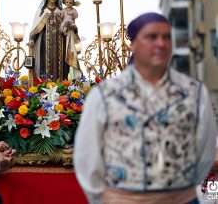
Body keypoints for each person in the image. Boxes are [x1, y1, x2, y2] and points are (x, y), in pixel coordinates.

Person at [74, 12, 217, 204]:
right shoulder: (104, 95)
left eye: (166, 37)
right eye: (152, 37)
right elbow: (87, 155)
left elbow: (205, 150)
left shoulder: (194, 93)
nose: (161, 43)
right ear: (132, 44)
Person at [29, 0, 69, 81]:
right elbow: (36, 27)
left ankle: (60, 82)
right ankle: (44, 82)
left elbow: (66, 26)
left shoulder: (60, 11)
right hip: (44, 42)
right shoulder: (42, 11)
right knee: (44, 61)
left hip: (59, 41)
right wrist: (32, 38)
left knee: (59, 62)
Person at [60, 0, 82, 80]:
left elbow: (74, 19)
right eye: (67, 2)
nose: (69, 4)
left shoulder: (73, 11)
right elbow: (61, 18)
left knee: (72, 47)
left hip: (71, 30)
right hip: (64, 27)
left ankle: (74, 73)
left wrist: (72, 26)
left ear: (73, 3)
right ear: (65, 2)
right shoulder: (63, 11)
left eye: (70, 2)